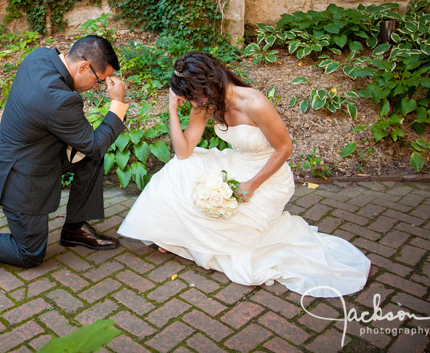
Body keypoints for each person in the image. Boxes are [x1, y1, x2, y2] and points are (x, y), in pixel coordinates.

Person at [117, 51, 370, 297]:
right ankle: (175, 235)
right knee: (178, 168)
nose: (193, 104)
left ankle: (186, 239)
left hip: (267, 174)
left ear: (208, 84)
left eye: (193, 96)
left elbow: (285, 148)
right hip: (236, 164)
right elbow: (183, 152)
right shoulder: (206, 104)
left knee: (236, 231)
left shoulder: (254, 102)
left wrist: (252, 184)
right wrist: (172, 109)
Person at [0, 35, 128, 269]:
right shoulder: (60, 99)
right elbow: (94, 144)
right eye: (98, 81)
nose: (96, 87)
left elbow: (88, 144)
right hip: (20, 180)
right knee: (29, 254)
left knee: (91, 159)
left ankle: (74, 229)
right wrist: (117, 105)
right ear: (83, 66)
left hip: (29, 155)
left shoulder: (39, 57)